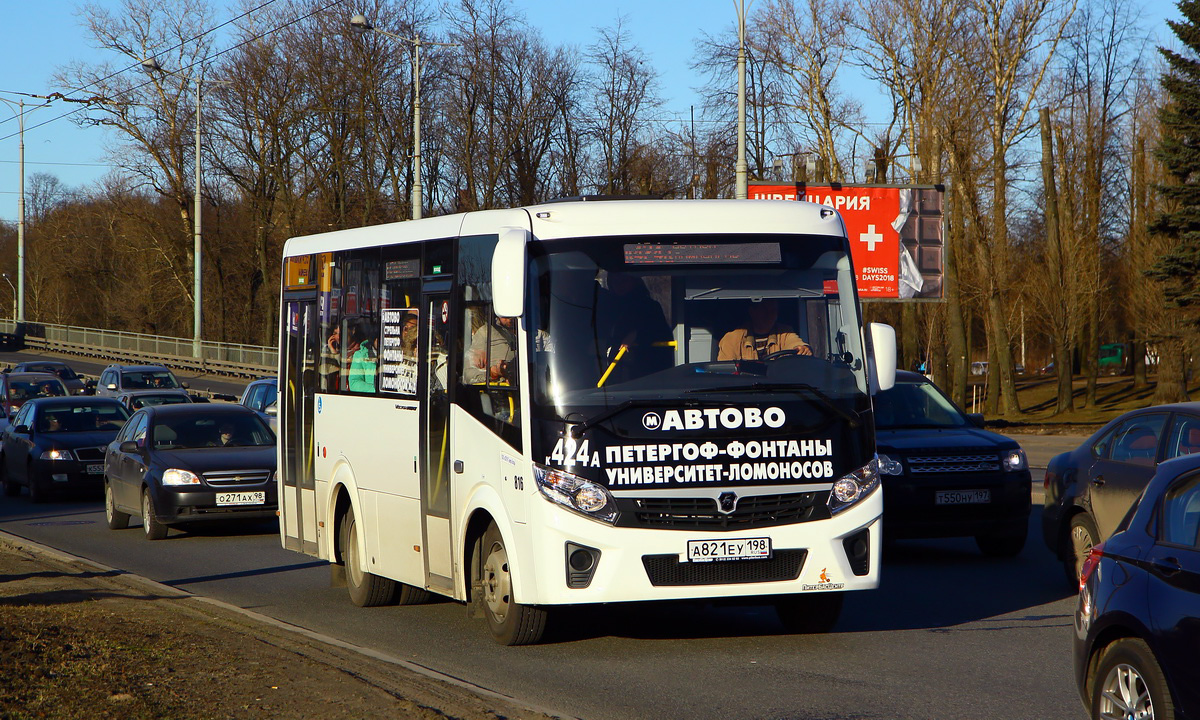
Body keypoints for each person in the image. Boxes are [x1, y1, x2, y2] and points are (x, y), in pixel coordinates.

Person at [717, 299, 812, 361]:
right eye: (765, 310)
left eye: (774, 310)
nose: (770, 315)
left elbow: (795, 343)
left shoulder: (785, 332)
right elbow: (726, 372)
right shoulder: (732, 338)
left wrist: (802, 348)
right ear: (752, 311)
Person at [465, 314, 516, 385]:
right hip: (504, 392)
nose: (510, 319)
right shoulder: (486, 333)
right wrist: (493, 372)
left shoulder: (533, 329)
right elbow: (469, 374)